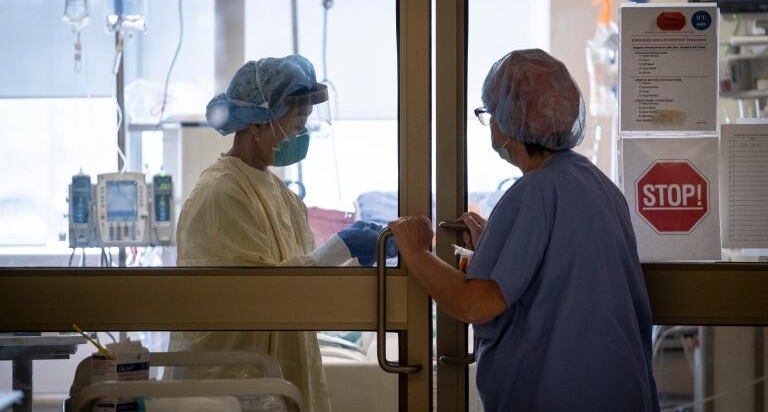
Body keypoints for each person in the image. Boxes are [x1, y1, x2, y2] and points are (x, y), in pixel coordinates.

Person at [389, 49, 659, 411]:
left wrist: (417, 252)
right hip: (621, 390)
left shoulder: (533, 193)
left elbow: (474, 304)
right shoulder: (595, 183)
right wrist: (494, 247)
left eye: (489, 113)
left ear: (509, 118)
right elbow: (565, 273)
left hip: (560, 395)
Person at [167, 55, 391, 412]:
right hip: (231, 388)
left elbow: (305, 281)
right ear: (257, 123)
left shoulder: (283, 197)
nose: (301, 135)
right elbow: (266, 293)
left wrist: (356, 264)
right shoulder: (220, 195)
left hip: (279, 375)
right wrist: (341, 245)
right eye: (296, 123)